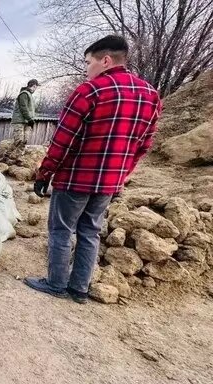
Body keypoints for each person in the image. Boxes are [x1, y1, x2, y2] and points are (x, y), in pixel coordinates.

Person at [25, 35, 161, 304]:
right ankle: (79, 289)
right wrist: (121, 176)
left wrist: (45, 173)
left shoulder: (90, 91)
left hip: (76, 178)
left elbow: (63, 139)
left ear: (106, 60)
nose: (87, 69)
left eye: (89, 62)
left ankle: (56, 283)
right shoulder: (151, 95)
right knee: (90, 231)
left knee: (62, 230)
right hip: (109, 183)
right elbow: (143, 145)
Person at [11, 79, 39, 144]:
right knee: (19, 142)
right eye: (36, 87)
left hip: (26, 121)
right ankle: (14, 154)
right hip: (20, 121)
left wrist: (30, 120)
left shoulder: (29, 95)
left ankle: (18, 154)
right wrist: (30, 119)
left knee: (24, 142)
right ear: (34, 86)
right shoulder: (24, 94)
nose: (35, 89)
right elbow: (24, 107)